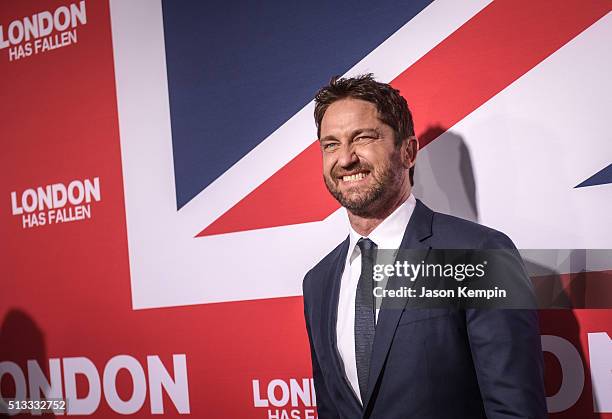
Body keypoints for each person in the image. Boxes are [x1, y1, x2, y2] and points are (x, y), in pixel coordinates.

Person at [302, 74, 547, 418]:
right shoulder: (318, 282)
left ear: (408, 151)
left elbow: (515, 411)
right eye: (331, 144)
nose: (345, 159)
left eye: (363, 137)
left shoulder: (480, 254)